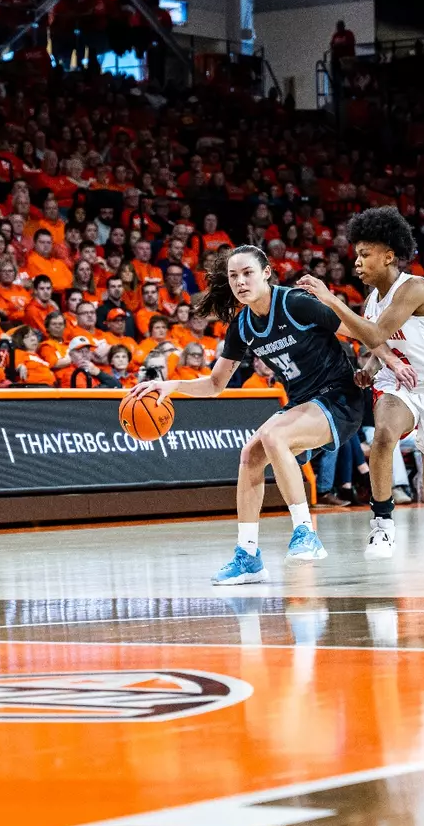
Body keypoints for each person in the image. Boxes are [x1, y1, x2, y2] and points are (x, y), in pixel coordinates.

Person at [129, 246, 367, 584]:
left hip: (340, 397)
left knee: (273, 436)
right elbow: (215, 384)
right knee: (251, 455)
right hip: (303, 402)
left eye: (247, 273)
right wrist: (171, 386)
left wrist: (382, 364)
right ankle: (248, 555)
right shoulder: (242, 325)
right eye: (233, 276)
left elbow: (360, 331)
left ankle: (306, 533)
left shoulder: (295, 303)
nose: (240, 281)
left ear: (267, 273)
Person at [296, 208, 424, 571]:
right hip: (398, 384)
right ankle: (382, 523)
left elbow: (374, 334)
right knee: (384, 436)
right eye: (356, 254)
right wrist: (369, 369)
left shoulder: (415, 288)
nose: (356, 262)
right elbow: (379, 346)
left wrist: (329, 299)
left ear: (389, 256)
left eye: (364, 254)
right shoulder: (373, 299)